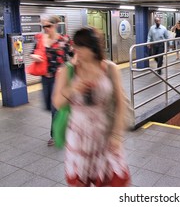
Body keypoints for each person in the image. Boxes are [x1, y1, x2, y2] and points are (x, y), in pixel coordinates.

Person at [52, 27, 130, 187]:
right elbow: (57, 102)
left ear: (93, 48)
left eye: (80, 46)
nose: (75, 50)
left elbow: (121, 104)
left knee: (113, 182)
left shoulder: (109, 69)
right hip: (79, 136)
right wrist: (73, 89)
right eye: (75, 45)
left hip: (104, 135)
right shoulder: (68, 70)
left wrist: (116, 135)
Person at [30, 15, 73, 146]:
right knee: (50, 106)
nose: (45, 29)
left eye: (48, 26)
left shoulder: (64, 40)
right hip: (45, 77)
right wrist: (34, 57)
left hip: (60, 79)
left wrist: (67, 68)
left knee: (55, 107)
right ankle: (68, 123)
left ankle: (55, 135)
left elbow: (74, 55)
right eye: (43, 26)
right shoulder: (39, 39)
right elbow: (32, 52)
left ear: (55, 26)